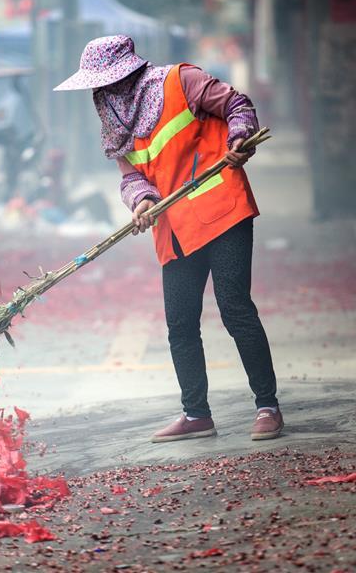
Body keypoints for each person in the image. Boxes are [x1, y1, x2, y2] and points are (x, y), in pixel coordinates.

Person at [54, 35, 281, 442]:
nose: (101, 92)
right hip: (175, 230)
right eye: (96, 86)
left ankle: (268, 405)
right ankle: (196, 414)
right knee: (180, 324)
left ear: (125, 74)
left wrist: (238, 140)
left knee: (234, 307)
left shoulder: (181, 80)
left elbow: (237, 105)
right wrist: (141, 201)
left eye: (105, 82)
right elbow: (131, 177)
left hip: (222, 212)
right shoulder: (114, 124)